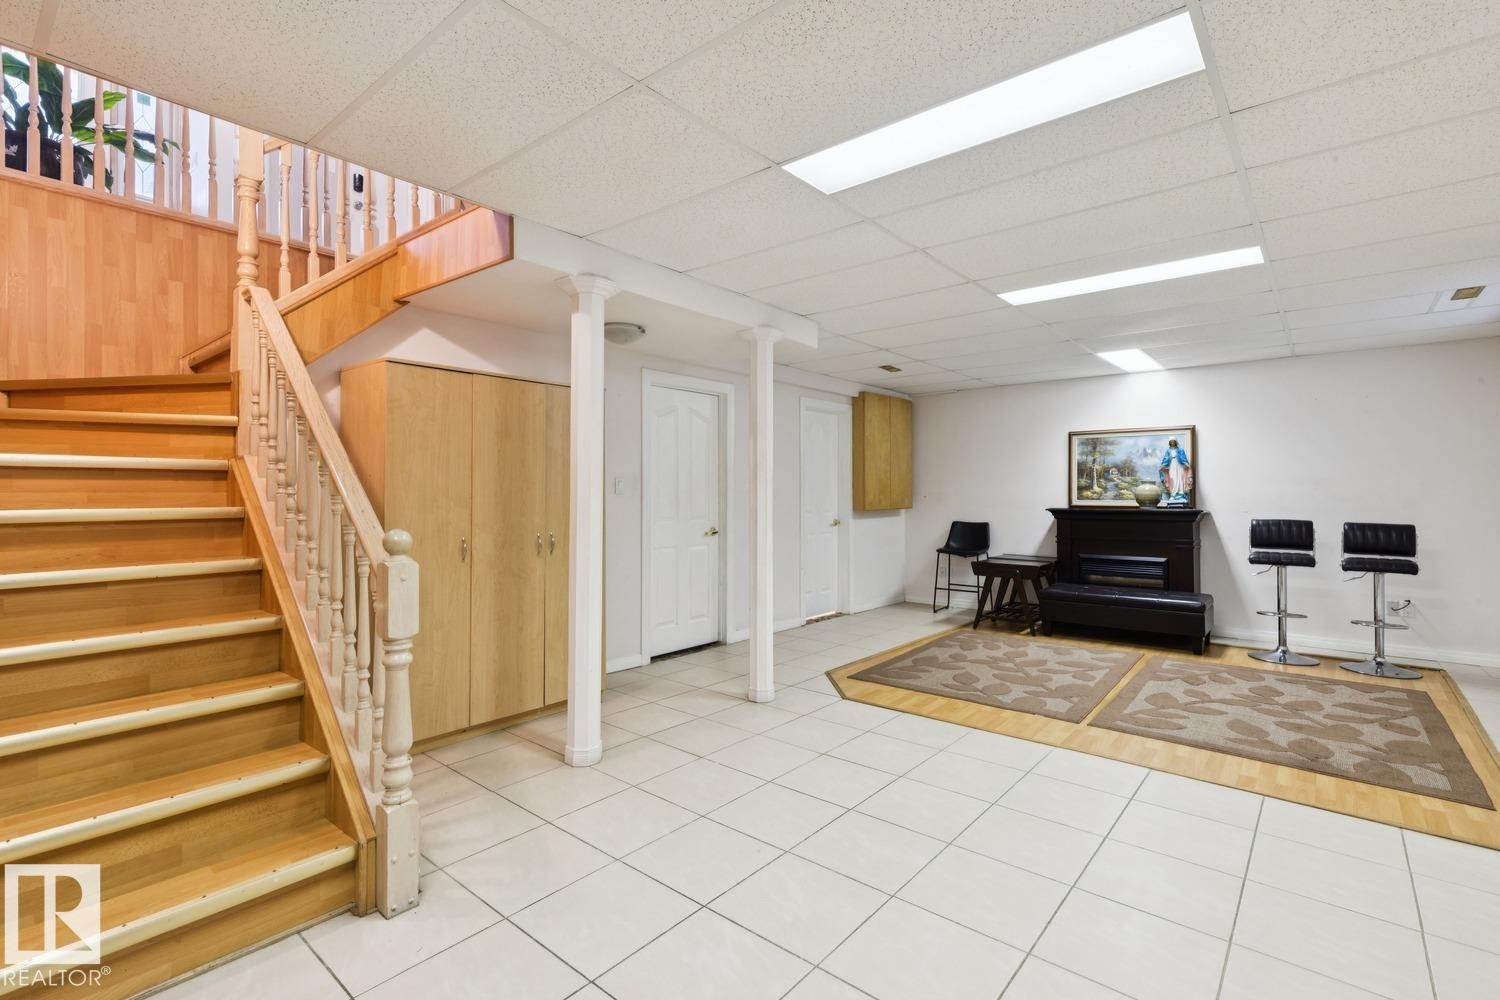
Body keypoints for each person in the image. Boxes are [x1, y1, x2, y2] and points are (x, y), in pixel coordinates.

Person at [1158, 438, 1192, 506]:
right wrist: (1162, 466)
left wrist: (1186, 463)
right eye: (1171, 442)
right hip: (1172, 465)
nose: (1172, 443)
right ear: (1169, 443)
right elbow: (1166, 459)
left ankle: (1181, 494)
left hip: (1179, 466)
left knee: (1179, 479)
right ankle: (1173, 494)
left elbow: (1183, 458)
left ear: (1176, 442)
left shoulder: (1180, 450)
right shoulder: (1168, 451)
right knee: (1172, 478)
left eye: (1173, 442)